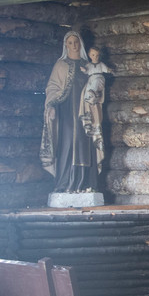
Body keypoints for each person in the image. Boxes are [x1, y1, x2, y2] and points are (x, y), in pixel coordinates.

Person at [40, 31, 98, 193]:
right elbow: (52, 87)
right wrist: (51, 105)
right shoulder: (61, 65)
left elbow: (96, 85)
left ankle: (85, 183)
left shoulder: (88, 65)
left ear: (80, 44)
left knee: (84, 143)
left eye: (76, 42)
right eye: (70, 42)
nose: (73, 45)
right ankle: (65, 183)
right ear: (66, 45)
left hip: (85, 112)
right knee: (67, 144)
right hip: (66, 110)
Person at [79, 46, 112, 171]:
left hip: (99, 79)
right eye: (93, 55)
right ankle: (90, 99)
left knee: (95, 86)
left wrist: (109, 69)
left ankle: (92, 97)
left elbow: (106, 69)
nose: (95, 57)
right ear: (89, 55)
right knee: (89, 90)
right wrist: (83, 70)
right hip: (91, 80)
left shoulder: (100, 65)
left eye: (97, 55)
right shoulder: (89, 65)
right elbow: (86, 71)